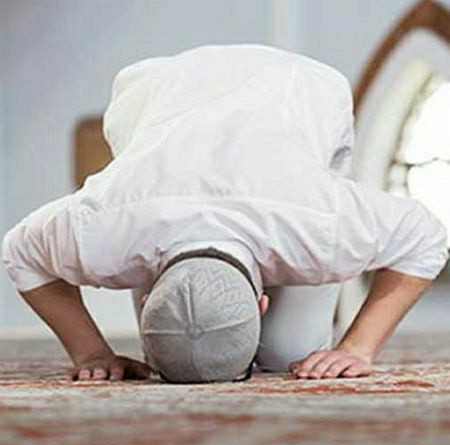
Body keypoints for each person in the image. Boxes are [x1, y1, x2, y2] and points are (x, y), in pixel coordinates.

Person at [2, 45, 448, 383]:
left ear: (263, 303)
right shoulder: (106, 231)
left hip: (301, 87)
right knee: (188, 339)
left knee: (290, 351)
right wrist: (91, 352)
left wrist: (359, 347)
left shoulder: (320, 225)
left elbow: (427, 238)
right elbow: (19, 252)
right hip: (157, 92)